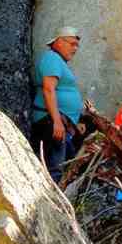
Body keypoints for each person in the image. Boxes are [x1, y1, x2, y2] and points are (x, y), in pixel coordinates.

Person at [31, 26, 83, 182]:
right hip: (51, 121)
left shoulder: (57, 60)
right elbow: (48, 90)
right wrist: (57, 122)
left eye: (77, 45)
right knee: (56, 168)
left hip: (59, 121)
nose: (75, 49)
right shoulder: (52, 58)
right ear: (59, 41)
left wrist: (75, 122)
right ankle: (52, 202)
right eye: (72, 44)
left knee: (66, 163)